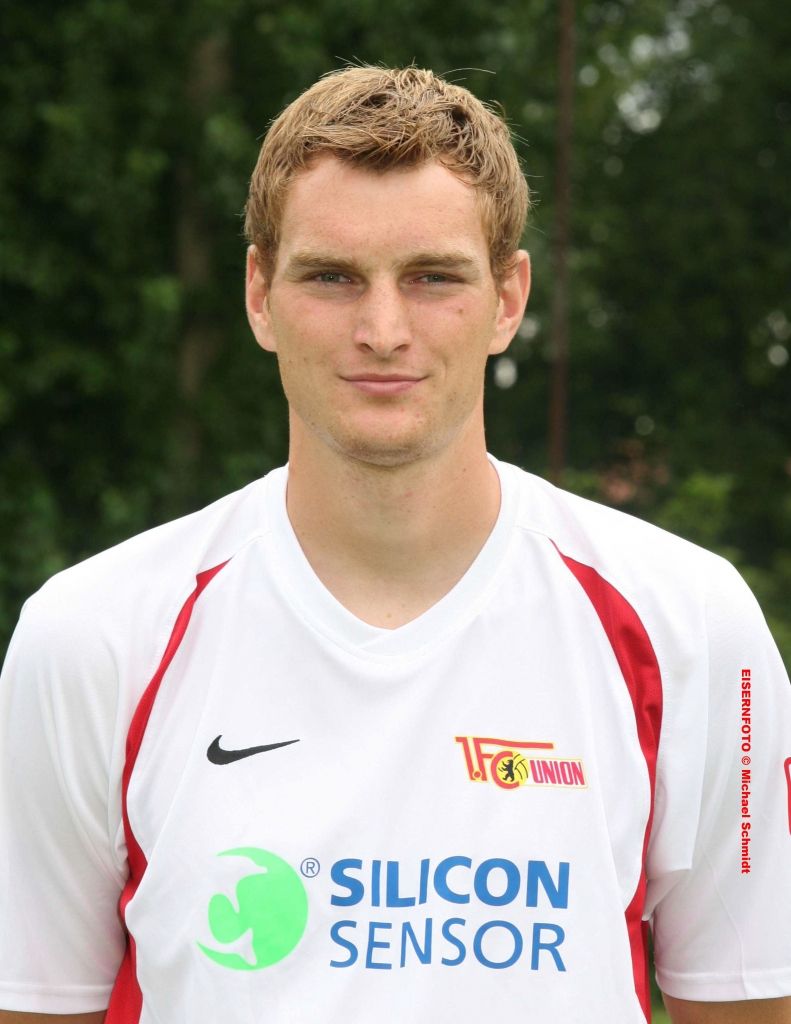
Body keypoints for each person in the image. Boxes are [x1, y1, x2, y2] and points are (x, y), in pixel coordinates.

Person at [0, 65, 789, 1024]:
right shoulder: (92, 639)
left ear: (508, 298)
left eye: (432, 278)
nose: (382, 330)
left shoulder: (689, 625)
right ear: (259, 294)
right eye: (331, 277)